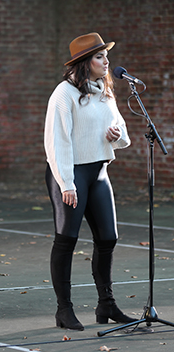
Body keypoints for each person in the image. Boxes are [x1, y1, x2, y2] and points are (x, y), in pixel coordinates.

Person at [44, 32, 135, 331]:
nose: (106, 60)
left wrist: (116, 136)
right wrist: (67, 183)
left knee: (108, 238)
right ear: (85, 63)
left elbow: (121, 130)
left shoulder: (105, 92)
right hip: (69, 175)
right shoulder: (63, 94)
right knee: (66, 240)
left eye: (106, 55)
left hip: (98, 173)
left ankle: (106, 304)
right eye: (99, 56)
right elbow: (57, 142)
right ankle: (64, 309)